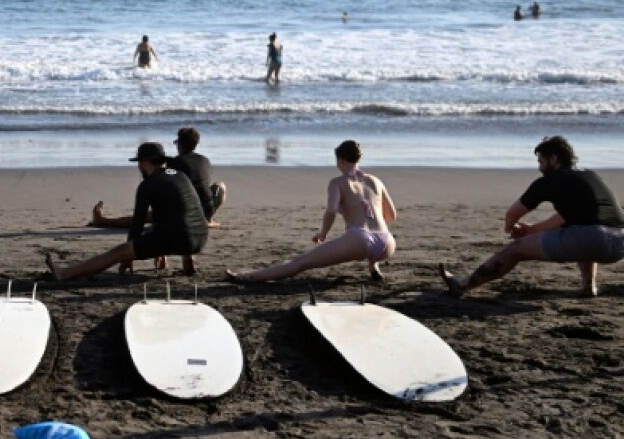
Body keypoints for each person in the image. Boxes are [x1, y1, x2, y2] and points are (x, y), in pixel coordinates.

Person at [440, 136, 624, 298]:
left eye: (541, 161)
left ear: (553, 159)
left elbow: (513, 213)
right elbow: (565, 218)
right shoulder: (591, 175)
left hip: (589, 238)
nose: (539, 167)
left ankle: (462, 286)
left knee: (515, 250)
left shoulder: (549, 181)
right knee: (582, 229)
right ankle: (589, 287)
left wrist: (511, 228)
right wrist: (532, 230)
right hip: (619, 243)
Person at [226, 140, 397, 284]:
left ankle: (249, 277)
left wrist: (323, 233)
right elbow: (391, 216)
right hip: (387, 242)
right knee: (368, 245)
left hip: (360, 238)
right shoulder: (375, 181)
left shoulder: (338, 182)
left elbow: (331, 211)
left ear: (341, 160)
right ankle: (373, 265)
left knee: (301, 262)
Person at [49, 142, 209, 281]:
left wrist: (127, 257)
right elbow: (176, 213)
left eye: (139, 163)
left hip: (178, 238)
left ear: (145, 163)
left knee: (117, 252)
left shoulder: (147, 185)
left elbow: (137, 223)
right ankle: (188, 262)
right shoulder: (181, 176)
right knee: (182, 218)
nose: (139, 167)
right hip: (200, 238)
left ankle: (64, 273)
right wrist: (160, 250)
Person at [90, 127, 226, 229]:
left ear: (180, 145)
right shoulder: (205, 160)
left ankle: (103, 221)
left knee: (149, 215)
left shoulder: (175, 163)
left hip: (186, 211)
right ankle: (208, 219)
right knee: (220, 185)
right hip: (207, 208)